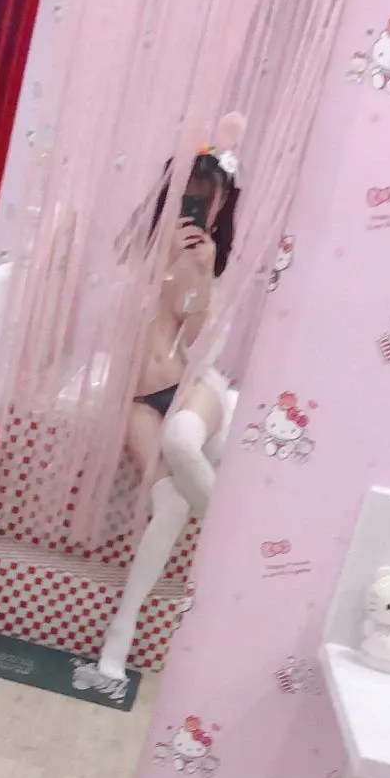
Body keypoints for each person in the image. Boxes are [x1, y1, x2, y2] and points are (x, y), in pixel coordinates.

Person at [126, 126, 242, 519]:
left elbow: (197, 345)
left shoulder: (214, 265)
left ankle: (225, 531)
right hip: (139, 395)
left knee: (180, 442)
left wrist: (204, 276)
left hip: (189, 383)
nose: (197, 208)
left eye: (207, 200)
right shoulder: (137, 252)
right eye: (189, 196)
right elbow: (124, 320)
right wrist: (164, 260)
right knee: (168, 504)